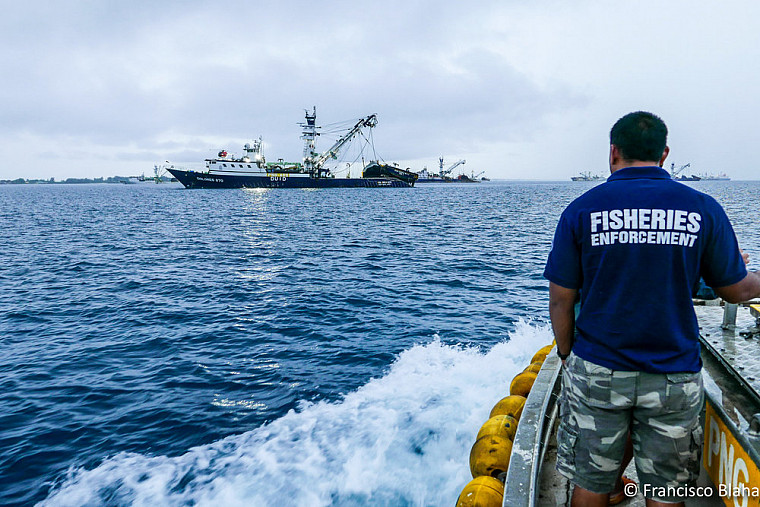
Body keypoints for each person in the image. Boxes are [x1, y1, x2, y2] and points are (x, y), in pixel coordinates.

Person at [543, 111, 760, 507]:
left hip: (599, 368)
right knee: (666, 489)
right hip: (673, 372)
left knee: (591, 484)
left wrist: (566, 352)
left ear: (613, 153)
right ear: (665, 154)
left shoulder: (581, 210)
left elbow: (561, 297)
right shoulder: (702, 208)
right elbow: (737, 290)